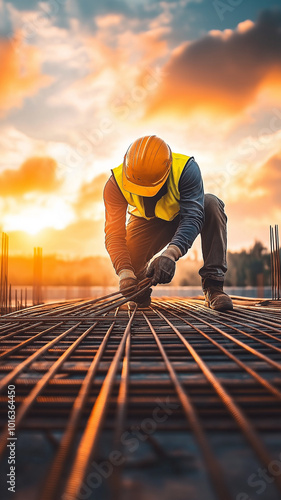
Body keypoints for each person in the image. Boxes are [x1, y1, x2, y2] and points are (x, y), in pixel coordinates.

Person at [103, 135, 233, 311]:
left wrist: (171, 254)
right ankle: (139, 291)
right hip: (147, 223)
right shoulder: (115, 185)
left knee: (211, 204)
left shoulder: (186, 170)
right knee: (129, 260)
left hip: (183, 216)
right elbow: (114, 234)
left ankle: (214, 287)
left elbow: (193, 217)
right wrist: (125, 272)